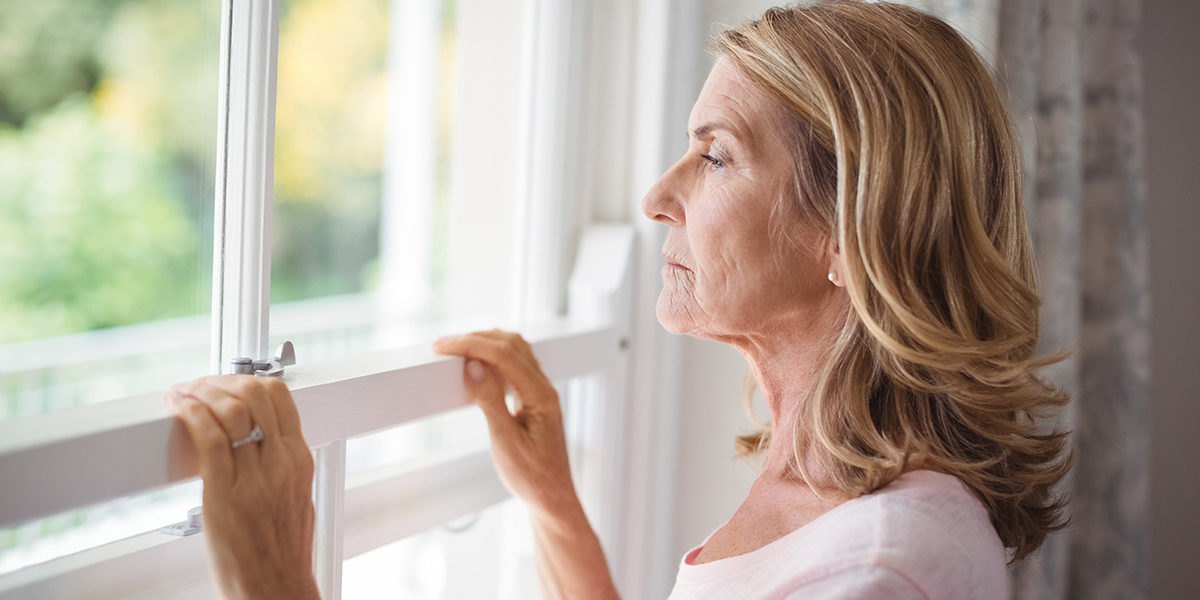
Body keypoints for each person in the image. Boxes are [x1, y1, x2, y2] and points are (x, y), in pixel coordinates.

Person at [164, 1, 1072, 598]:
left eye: (716, 156)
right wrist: (554, 503)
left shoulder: (882, 569)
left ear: (850, 233)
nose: (658, 196)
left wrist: (274, 577)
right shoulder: (830, 490)